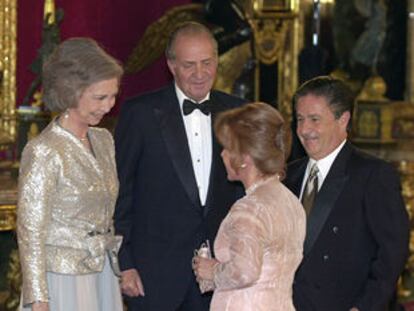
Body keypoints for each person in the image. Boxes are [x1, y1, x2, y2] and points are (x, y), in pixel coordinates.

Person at [114, 22, 245, 311]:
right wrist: (124, 264)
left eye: (207, 63)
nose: (200, 74)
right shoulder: (140, 114)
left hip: (219, 277)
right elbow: (120, 195)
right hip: (153, 277)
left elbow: (243, 195)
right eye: (189, 65)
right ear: (171, 65)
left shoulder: (238, 113)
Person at [284, 76, 410, 311]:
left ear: (343, 120)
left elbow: (393, 252)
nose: (304, 130)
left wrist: (364, 307)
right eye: (299, 119)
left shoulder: (372, 175)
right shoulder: (288, 175)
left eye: (314, 119)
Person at [17, 38, 124, 311]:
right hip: (62, 281)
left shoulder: (104, 140)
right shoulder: (44, 150)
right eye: (100, 97)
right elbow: (31, 231)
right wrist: (38, 297)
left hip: (102, 273)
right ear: (71, 91)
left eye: (113, 96)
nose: (109, 105)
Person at [192, 102, 306, 310]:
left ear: (244, 158)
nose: (222, 155)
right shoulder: (291, 202)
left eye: (227, 148)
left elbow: (245, 272)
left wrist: (211, 270)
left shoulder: (249, 208)